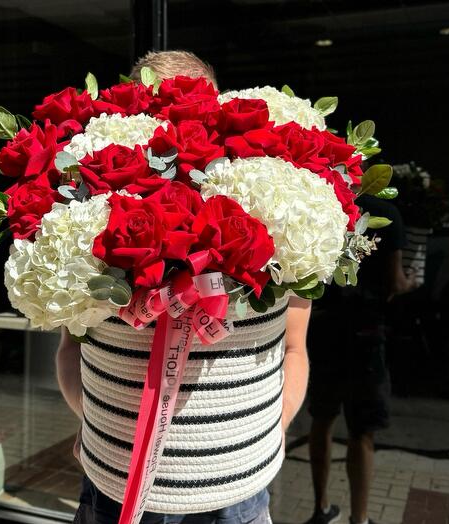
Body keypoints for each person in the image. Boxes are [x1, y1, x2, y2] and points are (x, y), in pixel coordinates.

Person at [56, 50, 312, 524]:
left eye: (186, 109)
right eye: (154, 110)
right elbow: (71, 348)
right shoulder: (90, 223)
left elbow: (293, 348)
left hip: (238, 494)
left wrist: (266, 432)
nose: (169, 126)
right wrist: (98, 424)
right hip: (116, 487)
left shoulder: (278, 223)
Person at [304, 194, 418, 524]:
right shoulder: (387, 213)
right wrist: (410, 282)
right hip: (367, 331)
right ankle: (360, 518)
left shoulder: (324, 205)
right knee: (362, 431)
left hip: (326, 327)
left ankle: (320, 509)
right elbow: (394, 282)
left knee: (322, 420)